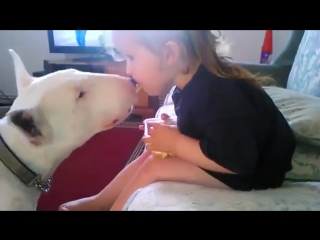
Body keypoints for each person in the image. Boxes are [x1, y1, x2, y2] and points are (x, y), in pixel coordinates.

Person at [59, 30, 296, 211]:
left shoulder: (217, 93)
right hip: (234, 153)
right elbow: (215, 128)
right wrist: (172, 131)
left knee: (156, 166)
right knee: (150, 155)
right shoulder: (193, 86)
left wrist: (175, 144)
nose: (128, 70)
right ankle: (98, 201)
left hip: (254, 171)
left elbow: (236, 160)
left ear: (169, 54)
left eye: (131, 57)